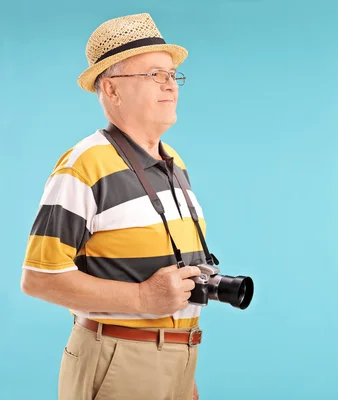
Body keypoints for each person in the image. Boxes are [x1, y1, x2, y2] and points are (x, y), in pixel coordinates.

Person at [20, 13, 208, 400]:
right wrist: (141, 299)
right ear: (112, 89)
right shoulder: (84, 164)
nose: (171, 85)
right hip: (119, 359)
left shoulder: (174, 162)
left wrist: (180, 371)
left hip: (178, 355)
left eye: (173, 75)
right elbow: (38, 278)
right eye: (155, 75)